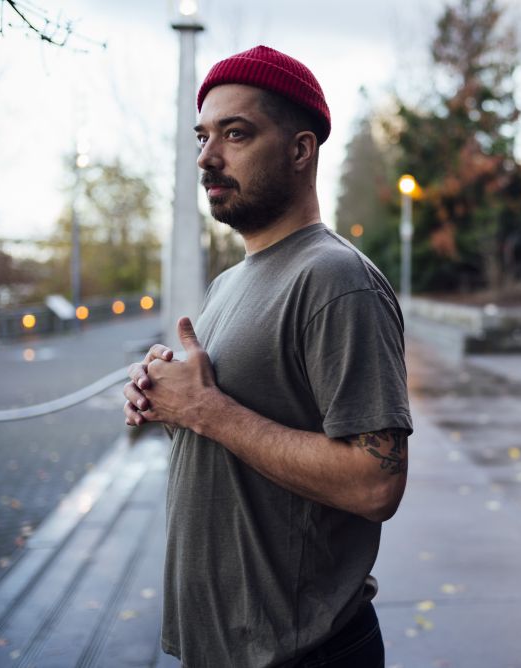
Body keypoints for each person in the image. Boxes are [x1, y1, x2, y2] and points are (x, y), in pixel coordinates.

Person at [122, 45, 412, 667]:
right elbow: (226, 424)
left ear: (300, 149)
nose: (207, 157)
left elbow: (375, 483)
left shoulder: (336, 279)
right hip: (222, 647)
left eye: (235, 133)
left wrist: (207, 411)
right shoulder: (230, 283)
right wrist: (166, 400)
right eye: (202, 136)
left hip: (304, 652)